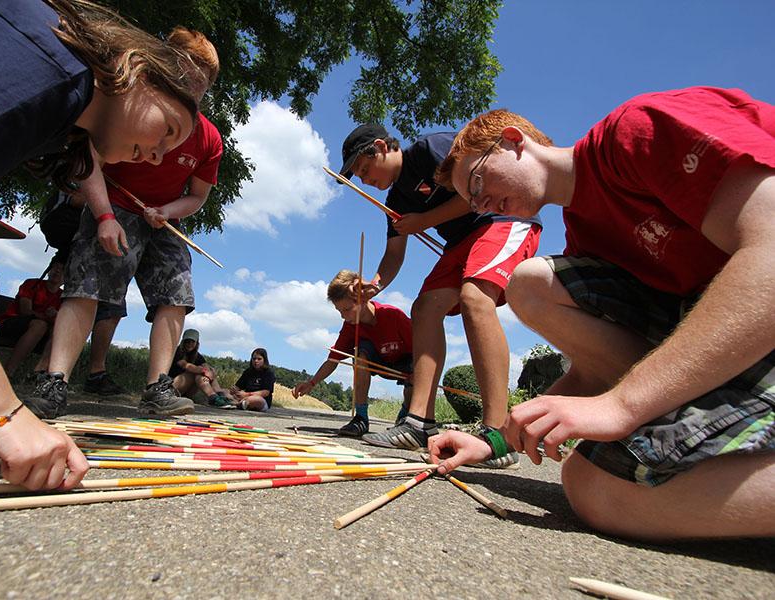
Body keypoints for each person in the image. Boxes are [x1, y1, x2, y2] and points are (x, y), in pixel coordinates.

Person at [0, 0, 210, 490]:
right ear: (140, 74)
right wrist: (2, 415)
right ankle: (49, 383)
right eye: (168, 130)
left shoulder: (65, 105)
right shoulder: (50, 67)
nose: (160, 156)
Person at [427, 87, 775, 541]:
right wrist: (495, 441)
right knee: (591, 484)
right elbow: (592, 374)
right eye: (473, 203)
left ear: (513, 140)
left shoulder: (636, 130)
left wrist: (623, 405)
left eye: (477, 183)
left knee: (529, 282)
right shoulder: (586, 236)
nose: (482, 205)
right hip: (722, 348)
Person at [27, 25, 223, 419]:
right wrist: (103, 216)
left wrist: (167, 211)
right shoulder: (127, 100)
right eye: (185, 77)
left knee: (177, 293)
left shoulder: (208, 138)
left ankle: (158, 387)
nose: (192, 90)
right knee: (87, 286)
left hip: (162, 218)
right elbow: (88, 157)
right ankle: (54, 382)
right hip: (114, 203)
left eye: (200, 86)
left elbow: (198, 196)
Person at [338, 125, 541, 466]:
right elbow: (394, 254)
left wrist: (425, 220)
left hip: (502, 217)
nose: (365, 179)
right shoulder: (395, 202)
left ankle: (497, 434)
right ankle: (418, 423)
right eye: (359, 176)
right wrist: (375, 283)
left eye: (364, 168)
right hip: (462, 240)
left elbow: (478, 191)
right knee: (425, 308)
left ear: (381, 147)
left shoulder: (429, 149)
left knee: (475, 298)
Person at [292, 270, 413, 437]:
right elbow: (333, 359)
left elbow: (422, 350)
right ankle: (361, 418)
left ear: (362, 299)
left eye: (347, 309)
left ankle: (406, 416)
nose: (343, 316)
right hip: (378, 362)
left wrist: (419, 375)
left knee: (417, 369)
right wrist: (311, 383)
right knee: (360, 352)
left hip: (406, 363)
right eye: (339, 311)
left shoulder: (393, 315)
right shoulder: (351, 326)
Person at [40, 193, 127, 396]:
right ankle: (47, 371)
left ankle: (96, 373)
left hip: (109, 256)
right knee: (77, 307)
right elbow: (79, 198)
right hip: (80, 249)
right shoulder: (82, 182)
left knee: (113, 310)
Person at [0, 256, 65, 378]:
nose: (57, 271)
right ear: (48, 271)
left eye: (62, 270)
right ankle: (8, 372)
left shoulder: (63, 297)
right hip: (12, 324)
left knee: (58, 331)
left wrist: (56, 315)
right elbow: (25, 311)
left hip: (42, 333)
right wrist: (48, 317)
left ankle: (40, 373)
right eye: (55, 267)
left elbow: (62, 321)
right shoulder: (32, 284)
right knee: (40, 325)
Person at [168, 329, 231, 408]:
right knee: (195, 372)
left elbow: (206, 367)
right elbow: (185, 365)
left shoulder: (197, 356)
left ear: (197, 343)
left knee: (207, 371)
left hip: (187, 391)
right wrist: (204, 371)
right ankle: (213, 397)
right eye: (187, 341)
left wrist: (209, 371)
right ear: (183, 342)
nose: (189, 344)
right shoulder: (177, 352)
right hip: (172, 388)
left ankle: (217, 394)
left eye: (192, 342)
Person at [229, 348, 276, 412]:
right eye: (254, 359)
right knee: (225, 391)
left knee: (256, 399)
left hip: (261, 401)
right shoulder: (248, 372)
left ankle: (236, 403)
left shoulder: (268, 373)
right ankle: (240, 403)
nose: (256, 361)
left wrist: (246, 394)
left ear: (264, 360)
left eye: (259, 359)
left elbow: (265, 393)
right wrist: (234, 390)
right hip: (244, 397)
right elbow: (238, 386)